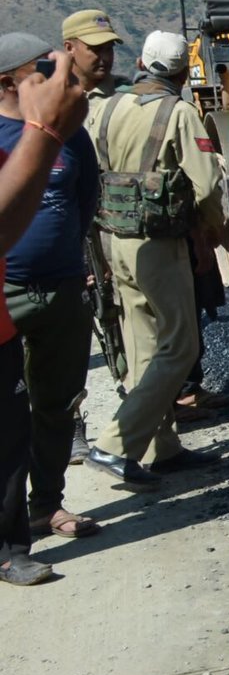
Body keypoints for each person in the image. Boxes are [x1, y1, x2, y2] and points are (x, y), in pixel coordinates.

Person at [82, 30, 226, 488]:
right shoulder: (179, 112)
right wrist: (213, 234)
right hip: (160, 244)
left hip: (115, 241)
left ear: (142, 64)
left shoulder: (105, 108)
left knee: (144, 348)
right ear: (183, 75)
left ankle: (160, 448)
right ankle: (115, 444)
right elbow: (207, 184)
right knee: (180, 346)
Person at [0, 34, 103, 542]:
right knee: (9, 415)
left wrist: (67, 258)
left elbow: (87, 199)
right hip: (7, 293)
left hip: (62, 288)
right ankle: (10, 523)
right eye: (40, 70)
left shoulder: (70, 132)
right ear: (7, 82)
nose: (55, 77)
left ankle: (46, 505)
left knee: (57, 405)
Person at [60, 8, 125, 458]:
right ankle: (70, 428)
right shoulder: (53, 103)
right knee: (71, 339)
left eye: (108, 48)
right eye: (94, 48)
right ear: (69, 49)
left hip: (111, 227)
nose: (103, 57)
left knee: (118, 319)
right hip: (71, 236)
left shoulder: (118, 98)